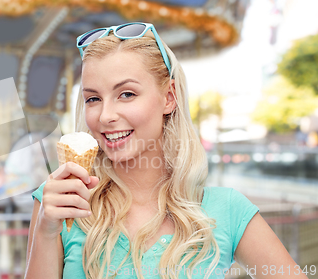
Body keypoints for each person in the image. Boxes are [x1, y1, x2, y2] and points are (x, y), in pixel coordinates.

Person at [25, 22, 307, 279]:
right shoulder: (58, 203)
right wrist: (47, 230)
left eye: (127, 94)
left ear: (169, 98)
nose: (105, 116)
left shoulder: (229, 210)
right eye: (93, 98)